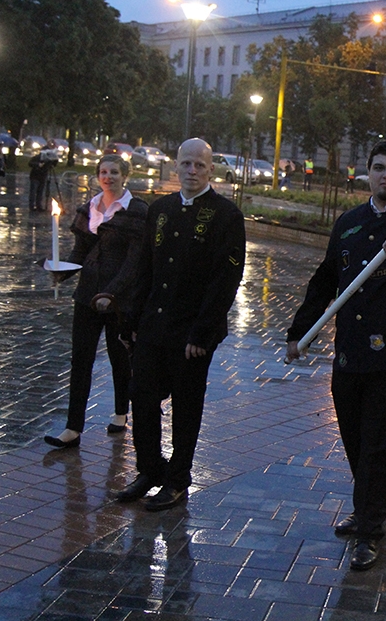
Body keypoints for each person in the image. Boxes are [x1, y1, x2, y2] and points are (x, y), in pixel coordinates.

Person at [285, 140, 386, 571]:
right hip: (351, 349)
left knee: (379, 444)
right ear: (368, 173)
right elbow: (325, 280)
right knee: (355, 438)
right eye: (378, 168)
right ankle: (365, 508)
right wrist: (299, 332)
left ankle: (370, 530)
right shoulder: (350, 223)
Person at [115, 138, 246, 511]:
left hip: (192, 332)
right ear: (176, 166)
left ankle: (177, 480)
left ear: (211, 170)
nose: (192, 171)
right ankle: (149, 469)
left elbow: (225, 280)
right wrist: (131, 320)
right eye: (186, 163)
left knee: (186, 407)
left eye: (199, 165)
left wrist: (203, 333)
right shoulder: (160, 209)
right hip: (154, 324)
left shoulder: (226, 215)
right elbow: (145, 268)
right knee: (141, 397)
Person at [44, 155, 148, 448]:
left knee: (118, 356)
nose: (108, 176)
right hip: (87, 294)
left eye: (114, 172)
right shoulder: (90, 207)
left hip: (120, 299)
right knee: (81, 359)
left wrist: (111, 294)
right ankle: (73, 428)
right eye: (103, 171)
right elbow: (81, 252)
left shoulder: (137, 211)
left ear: (124, 176)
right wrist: (61, 272)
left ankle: (120, 413)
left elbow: (134, 262)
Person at [28, 143, 58, 212]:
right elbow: (30, 163)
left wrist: (54, 159)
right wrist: (38, 165)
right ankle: (32, 206)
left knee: (40, 192)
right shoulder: (37, 157)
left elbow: (54, 164)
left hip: (43, 177)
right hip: (35, 176)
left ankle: (39, 206)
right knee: (33, 192)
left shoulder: (49, 159)